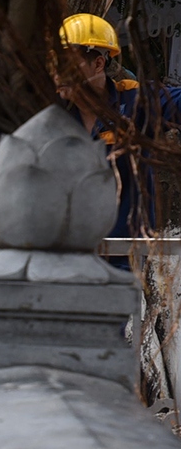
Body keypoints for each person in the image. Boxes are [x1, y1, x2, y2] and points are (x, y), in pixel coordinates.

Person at [55, 13, 181, 267]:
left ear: (98, 64)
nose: (58, 74)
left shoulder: (135, 102)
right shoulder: (51, 115)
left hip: (124, 257)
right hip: (64, 257)